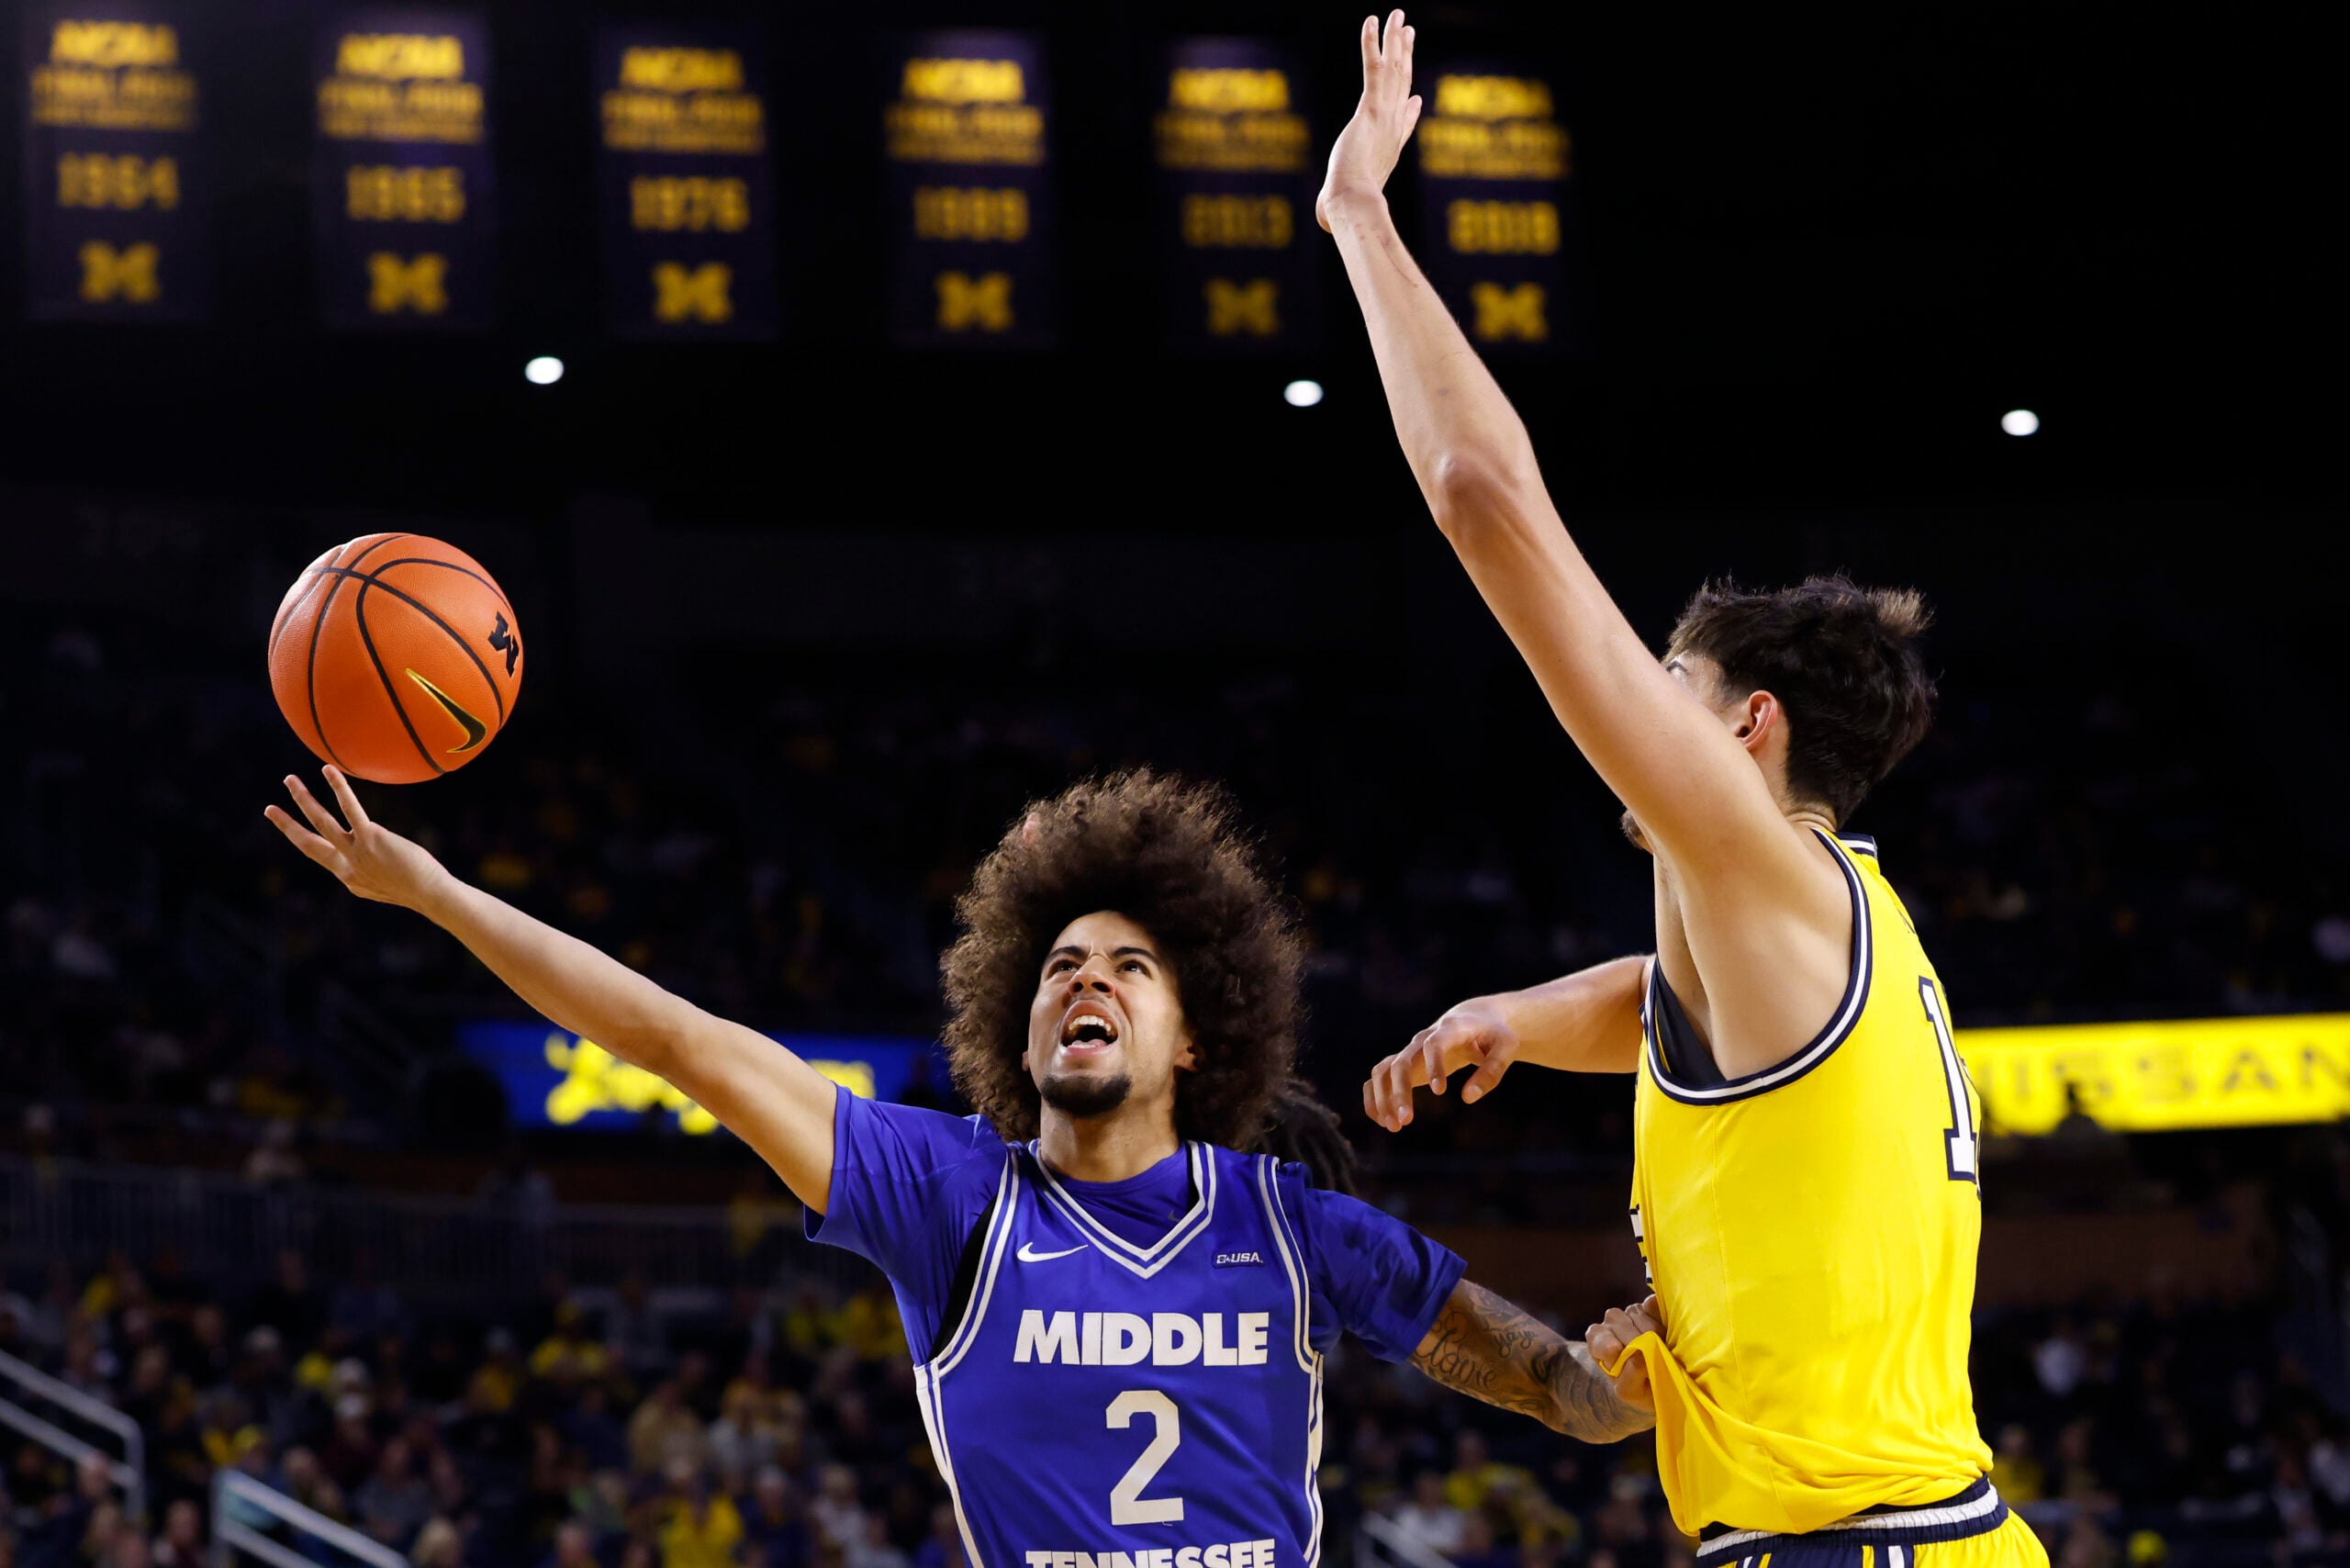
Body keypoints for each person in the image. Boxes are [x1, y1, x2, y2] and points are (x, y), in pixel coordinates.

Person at [1324, 13, 2043, 1566]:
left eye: (1673, 682)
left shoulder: (1763, 868)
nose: (1640, 701)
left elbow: (1481, 497)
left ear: (1749, 731)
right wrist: (1517, 1018)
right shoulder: (1816, 917)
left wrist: (1363, 219)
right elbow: (1669, 991)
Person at [266, 765, 1656, 1567]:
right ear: (1020, 1016)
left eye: (1126, 966)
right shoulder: (946, 1196)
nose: (1083, 981)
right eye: (1058, 966)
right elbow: (678, 1041)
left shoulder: (1297, 1228)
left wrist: (1613, 1391)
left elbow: (1542, 1379)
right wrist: (437, 894)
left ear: (1193, 1038)